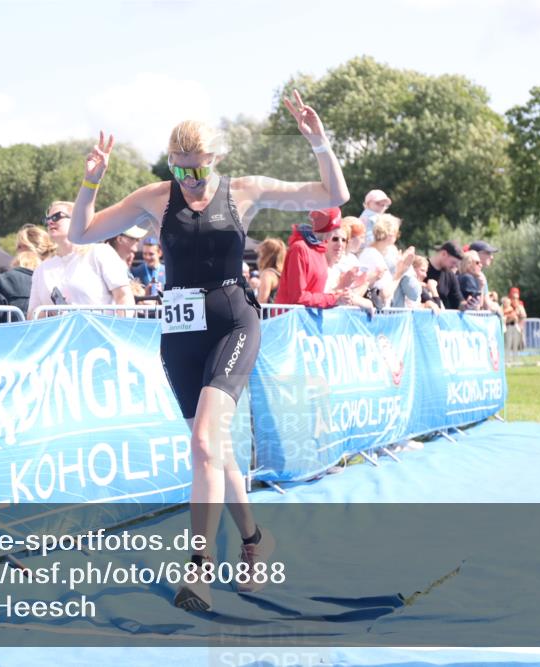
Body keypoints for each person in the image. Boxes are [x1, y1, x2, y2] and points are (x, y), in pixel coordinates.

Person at [67, 91, 349, 612]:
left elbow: (335, 192)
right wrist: (90, 181)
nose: (188, 183)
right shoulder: (155, 198)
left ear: (215, 159)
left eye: (196, 172)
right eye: (180, 172)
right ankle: (255, 539)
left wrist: (317, 139)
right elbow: (80, 231)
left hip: (232, 321)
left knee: (203, 440)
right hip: (180, 333)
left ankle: (198, 568)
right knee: (212, 451)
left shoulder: (245, 191)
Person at [27, 201, 135, 318]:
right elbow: (32, 314)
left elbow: (124, 297)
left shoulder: (100, 253)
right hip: (60, 335)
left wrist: (118, 329)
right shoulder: (42, 269)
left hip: (98, 334)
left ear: (77, 220)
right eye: (47, 219)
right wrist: (51, 313)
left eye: (57, 216)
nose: (50, 221)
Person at [275, 208, 357, 308]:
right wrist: (334, 298)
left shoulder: (320, 249)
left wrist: (339, 294)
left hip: (306, 320)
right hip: (291, 320)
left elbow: (317, 294)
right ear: (331, 227)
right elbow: (298, 298)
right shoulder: (300, 248)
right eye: (335, 228)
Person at [426, 241, 463, 310]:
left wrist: (467, 305)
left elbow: (458, 300)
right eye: (453, 262)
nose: (454, 266)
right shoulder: (422, 268)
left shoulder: (450, 275)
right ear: (444, 254)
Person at [468, 241, 500, 313]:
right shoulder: (467, 275)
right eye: (488, 253)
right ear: (476, 254)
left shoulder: (481, 275)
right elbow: (486, 305)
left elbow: (484, 304)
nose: (492, 257)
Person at [255, 237, 285, 305]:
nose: (259, 257)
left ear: (266, 255)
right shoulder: (281, 273)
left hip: (269, 314)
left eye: (260, 253)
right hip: (280, 313)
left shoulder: (267, 274)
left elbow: (262, 301)